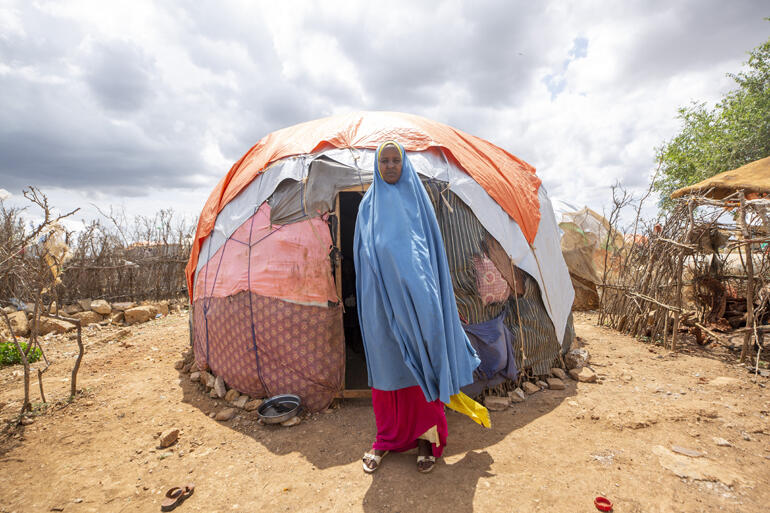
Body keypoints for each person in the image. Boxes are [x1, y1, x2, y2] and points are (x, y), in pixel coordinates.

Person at [354, 141, 489, 474]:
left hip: (417, 303)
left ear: (404, 164)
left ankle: (427, 440)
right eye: (383, 161)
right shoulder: (367, 207)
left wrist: (427, 301)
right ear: (376, 164)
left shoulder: (418, 202)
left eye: (394, 160)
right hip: (380, 306)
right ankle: (386, 439)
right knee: (388, 370)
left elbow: (429, 258)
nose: (388, 166)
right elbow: (361, 257)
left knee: (422, 366)